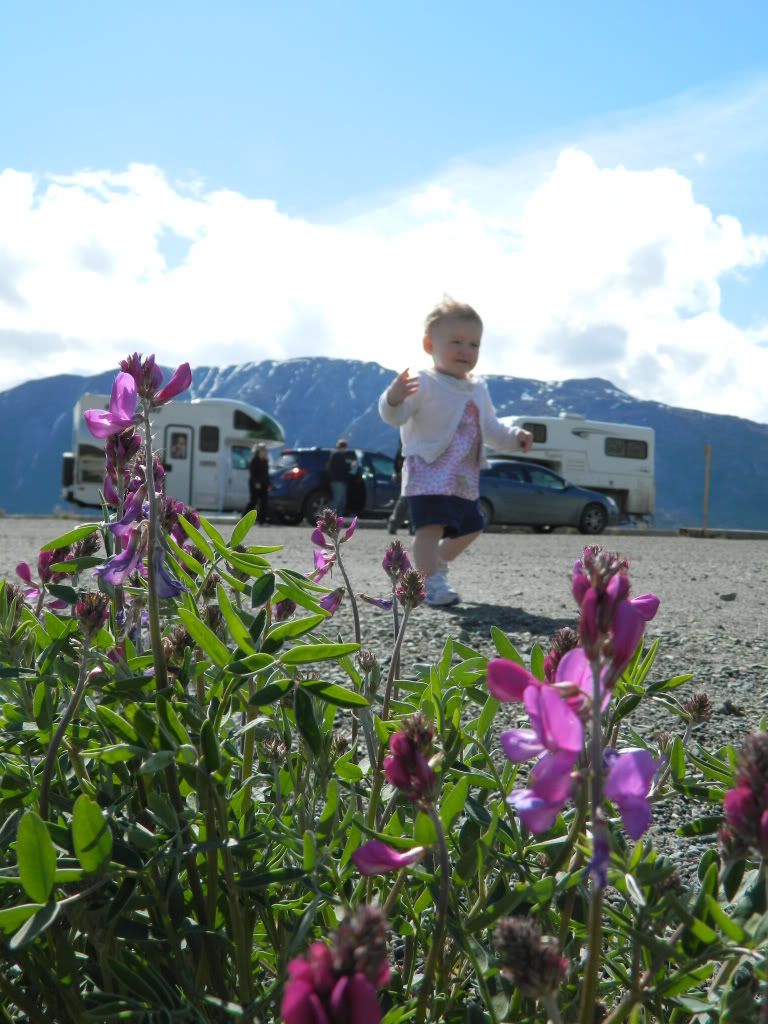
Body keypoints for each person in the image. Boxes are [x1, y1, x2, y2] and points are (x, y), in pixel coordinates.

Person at [378, 298, 533, 607]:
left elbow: (490, 428)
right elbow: (396, 416)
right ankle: (427, 583)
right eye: (456, 342)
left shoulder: (478, 387)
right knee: (429, 527)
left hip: (464, 475)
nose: (466, 350)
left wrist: (515, 438)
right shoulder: (424, 381)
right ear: (428, 344)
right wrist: (392, 399)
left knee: (473, 526)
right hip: (428, 469)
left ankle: (434, 562)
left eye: (474, 344)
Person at [387, 441, 413, 535]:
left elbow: (397, 460)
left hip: (407, 473)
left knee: (406, 500)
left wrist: (397, 472)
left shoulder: (404, 445)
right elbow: (398, 460)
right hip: (409, 473)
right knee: (407, 500)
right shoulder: (408, 445)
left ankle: (394, 524)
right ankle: (412, 526)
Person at [246, 444, 272, 524]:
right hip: (255, 484)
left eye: (265, 451)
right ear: (258, 452)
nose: (264, 452)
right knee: (253, 501)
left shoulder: (265, 461)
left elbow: (266, 474)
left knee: (264, 502)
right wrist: (256, 482)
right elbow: (252, 474)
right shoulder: (254, 460)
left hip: (264, 484)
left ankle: (262, 521)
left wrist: (269, 484)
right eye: (263, 451)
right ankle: (244, 518)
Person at [327, 439, 351, 516]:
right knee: (338, 500)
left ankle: (338, 518)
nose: (345, 449)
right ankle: (329, 516)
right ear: (341, 447)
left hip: (340, 480)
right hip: (337, 481)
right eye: (344, 447)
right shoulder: (337, 455)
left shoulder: (338, 455)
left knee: (341, 501)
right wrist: (350, 465)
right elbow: (341, 467)